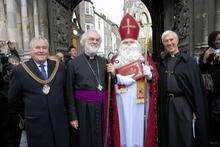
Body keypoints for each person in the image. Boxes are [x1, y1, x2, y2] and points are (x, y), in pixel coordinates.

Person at [8, 36, 71, 147]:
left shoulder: (60, 67)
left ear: (48, 50)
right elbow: (13, 99)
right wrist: (29, 114)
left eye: (44, 48)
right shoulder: (19, 70)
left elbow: (66, 94)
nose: (41, 51)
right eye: (37, 48)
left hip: (59, 124)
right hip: (36, 125)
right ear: (30, 50)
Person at [111, 13, 158, 147]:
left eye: (131, 42)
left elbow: (155, 78)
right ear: (121, 44)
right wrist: (116, 76)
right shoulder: (115, 60)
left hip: (140, 98)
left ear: (136, 43)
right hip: (122, 99)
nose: (128, 45)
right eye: (126, 43)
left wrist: (150, 74)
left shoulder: (144, 58)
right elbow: (109, 79)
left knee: (138, 125)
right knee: (124, 125)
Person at [157, 30, 209, 147]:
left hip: (184, 103)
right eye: (166, 41)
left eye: (171, 40)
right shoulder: (162, 62)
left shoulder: (189, 61)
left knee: (185, 133)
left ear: (177, 41)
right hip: (167, 104)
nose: (169, 43)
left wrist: (195, 109)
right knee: (169, 134)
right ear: (163, 44)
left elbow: (196, 88)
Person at [66, 30, 115, 147]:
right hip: (83, 109)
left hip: (101, 107)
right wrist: (73, 116)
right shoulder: (73, 64)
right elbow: (69, 92)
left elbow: (111, 87)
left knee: (101, 138)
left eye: (97, 40)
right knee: (85, 139)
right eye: (91, 39)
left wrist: (113, 75)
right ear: (84, 41)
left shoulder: (104, 62)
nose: (95, 42)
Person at [199, 31, 220, 146]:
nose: (218, 42)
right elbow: (201, 69)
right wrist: (205, 59)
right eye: (217, 40)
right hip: (211, 91)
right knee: (213, 115)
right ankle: (213, 139)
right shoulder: (207, 52)